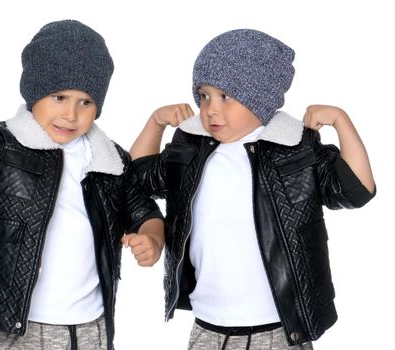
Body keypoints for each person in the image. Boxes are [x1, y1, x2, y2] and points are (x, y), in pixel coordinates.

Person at [0, 19, 164, 350]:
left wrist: (152, 237)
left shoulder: (108, 159)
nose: (71, 114)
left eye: (86, 102)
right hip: (21, 326)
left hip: (91, 326)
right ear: (35, 92)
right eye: (59, 96)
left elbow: (143, 209)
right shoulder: (6, 144)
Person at [129, 29, 375, 349]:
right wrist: (154, 123)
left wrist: (342, 122)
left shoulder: (295, 148)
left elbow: (357, 190)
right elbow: (138, 178)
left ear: (259, 98)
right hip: (209, 326)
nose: (211, 108)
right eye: (204, 95)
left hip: (279, 328)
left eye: (226, 97)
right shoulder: (189, 147)